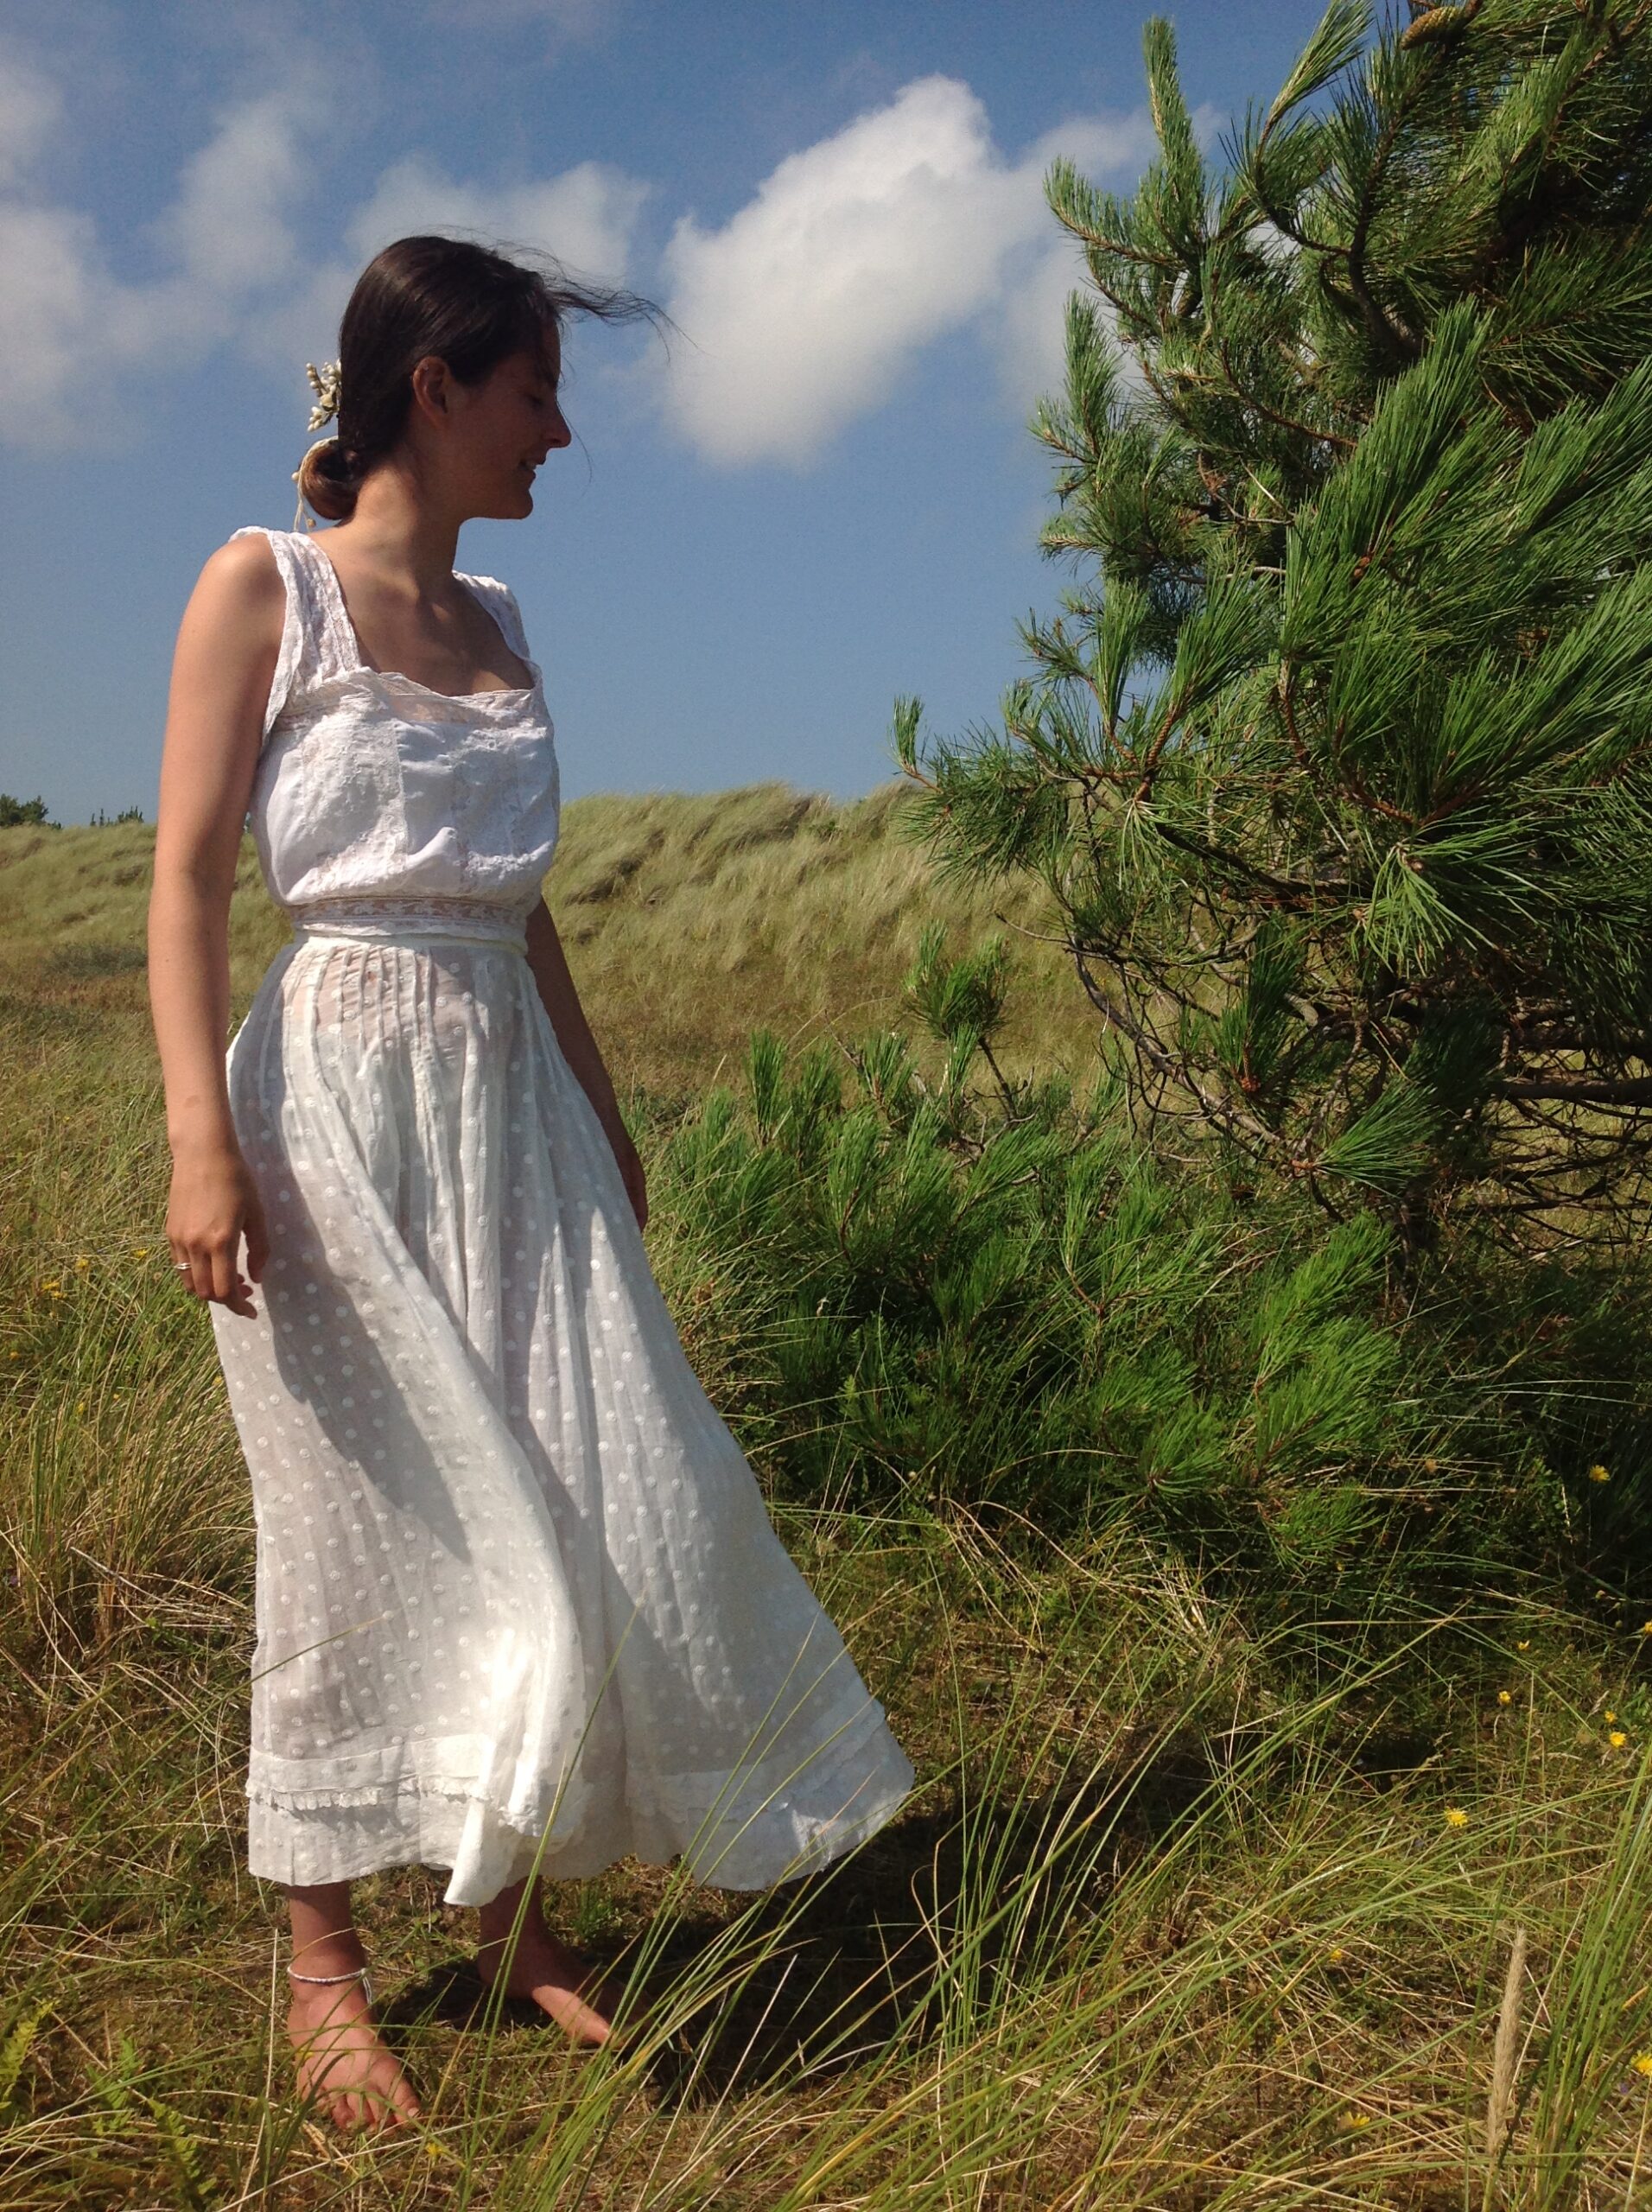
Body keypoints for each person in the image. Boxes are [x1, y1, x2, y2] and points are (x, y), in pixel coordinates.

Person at [146, 234, 917, 2135]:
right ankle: (325, 1958)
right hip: (330, 1108)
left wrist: (597, 1096)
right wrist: (196, 1132)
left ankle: (502, 1899)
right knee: (356, 1521)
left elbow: (519, 896)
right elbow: (179, 878)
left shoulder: (499, 624)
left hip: (512, 1113)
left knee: (580, 1497)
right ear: (435, 385)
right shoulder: (268, 587)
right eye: (533, 391)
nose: (557, 432)